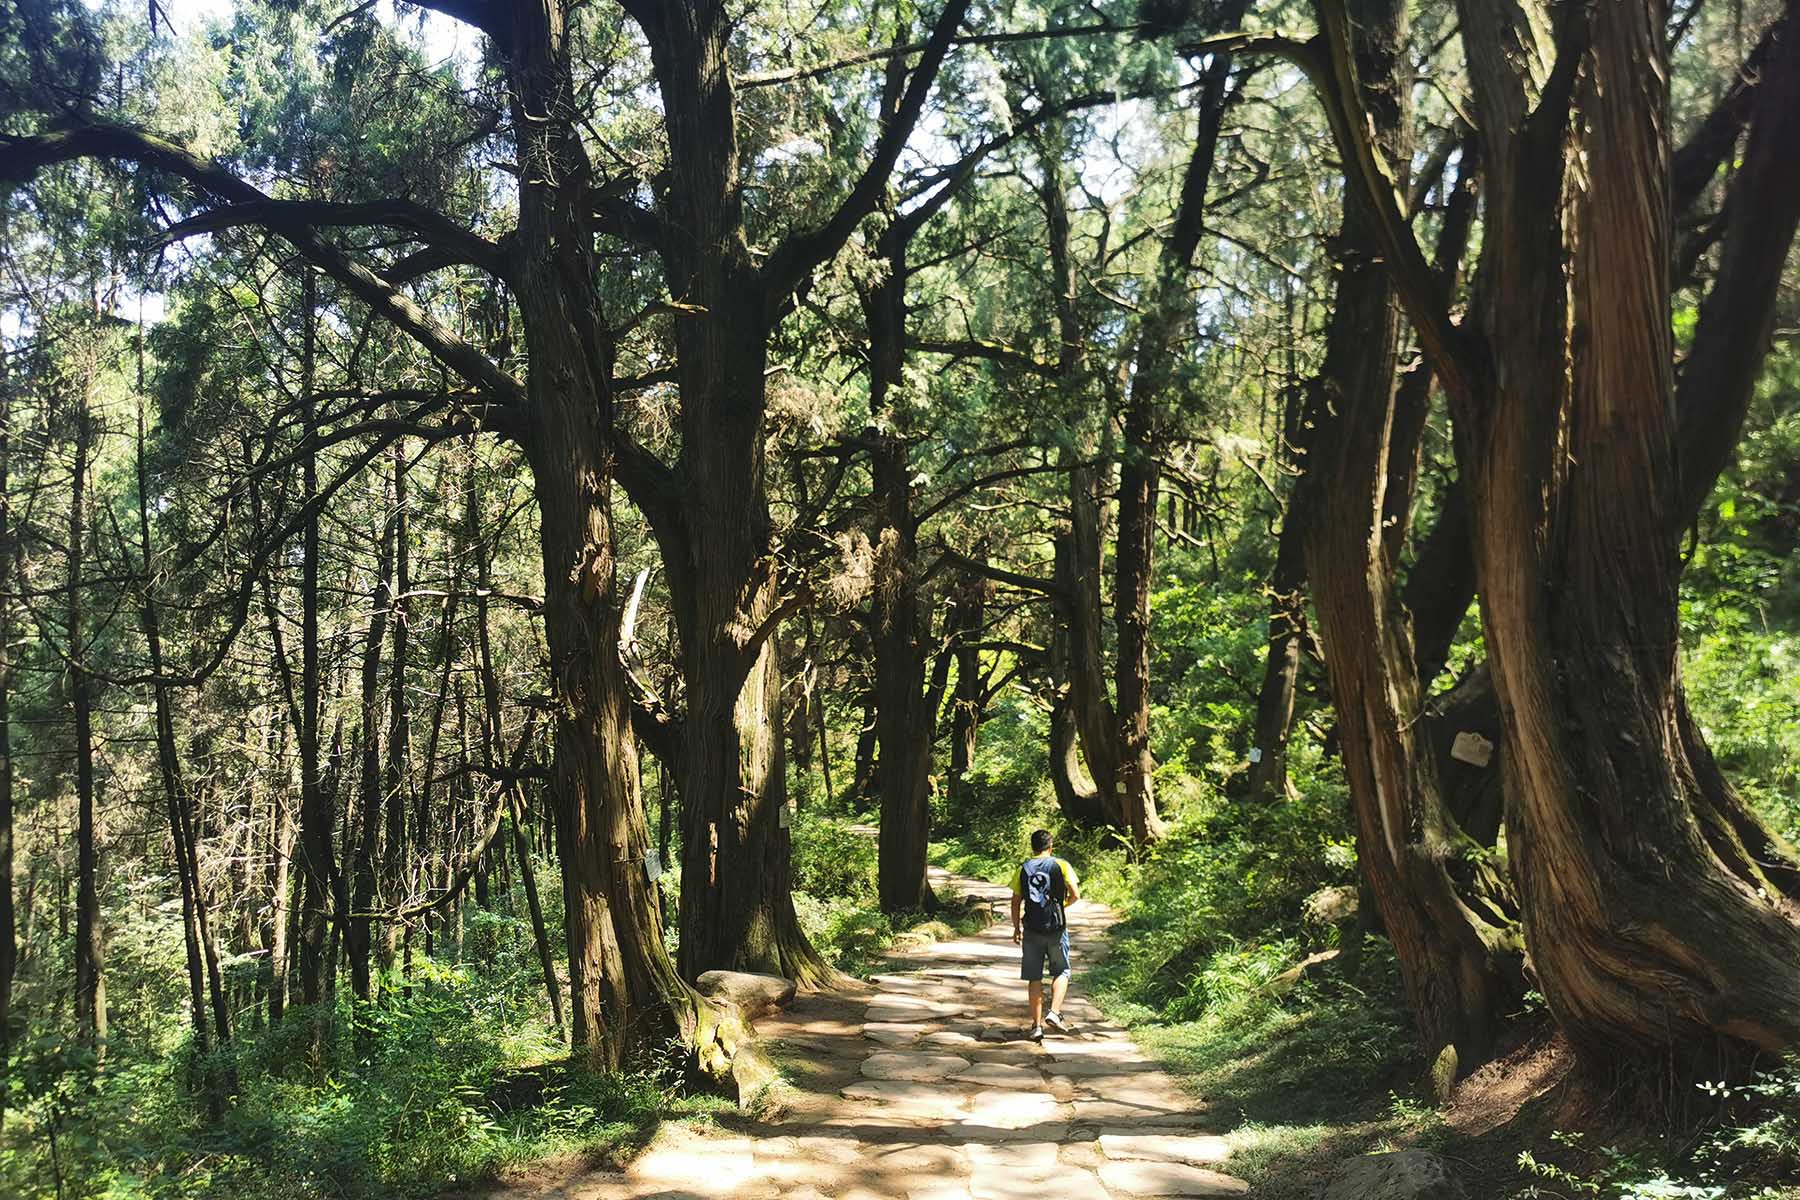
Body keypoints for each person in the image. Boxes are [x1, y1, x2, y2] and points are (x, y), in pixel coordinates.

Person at [1010, 828, 1081, 1041]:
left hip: (1032, 927)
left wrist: (1016, 928)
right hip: (1057, 928)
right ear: (1051, 847)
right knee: (1062, 971)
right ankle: (1054, 1013)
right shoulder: (1061, 865)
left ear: (1032, 847)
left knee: (1034, 977)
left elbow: (1015, 901)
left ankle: (1036, 1026)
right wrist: (1062, 906)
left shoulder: (1022, 868)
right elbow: (1076, 894)